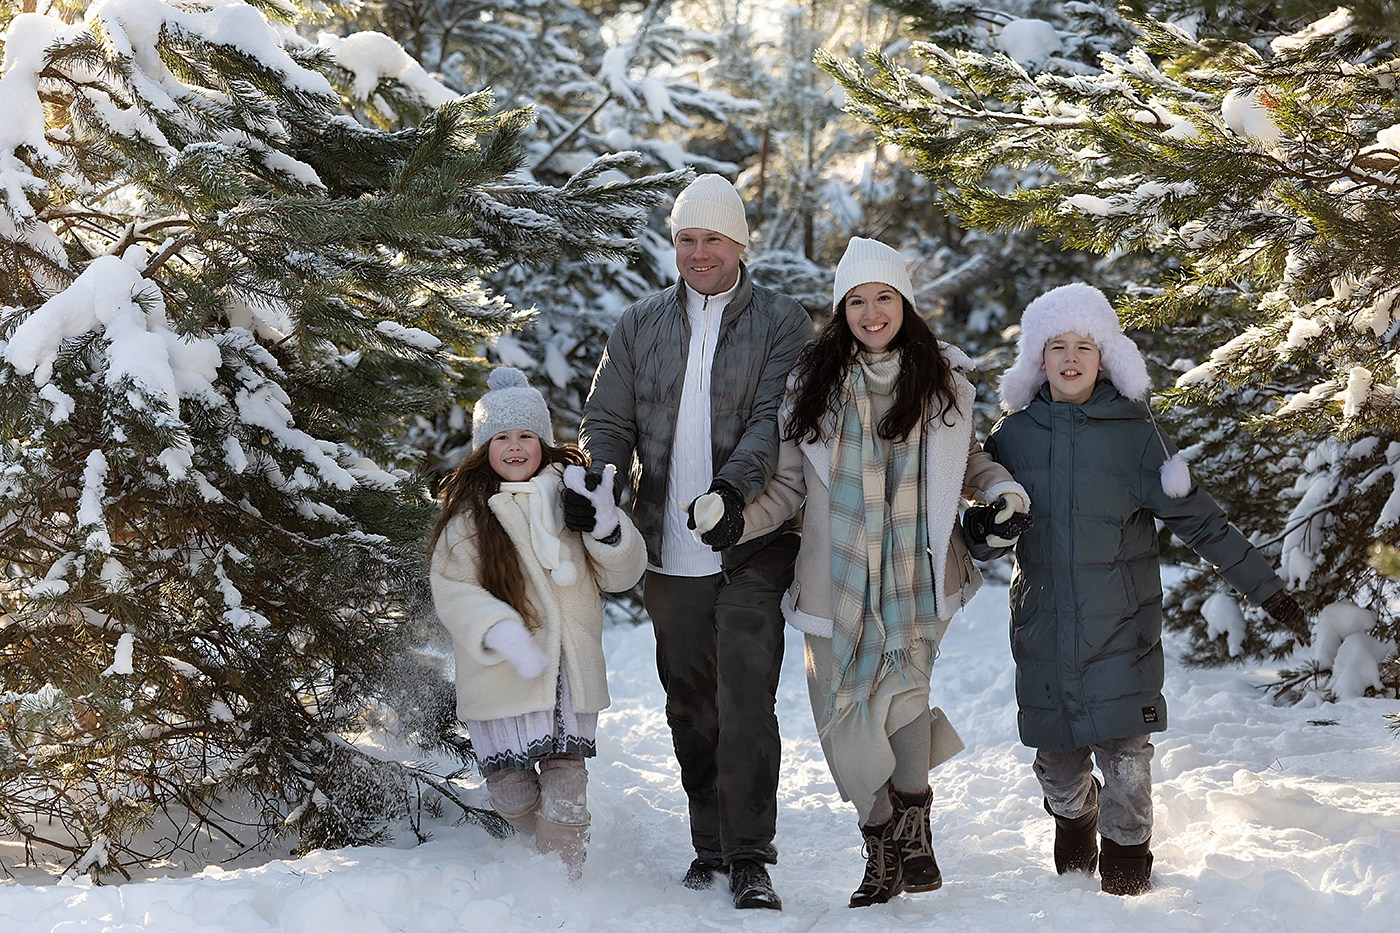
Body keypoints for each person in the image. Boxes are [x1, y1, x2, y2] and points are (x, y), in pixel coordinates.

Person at [975, 282, 1311, 896]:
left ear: (1106, 358)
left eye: (1085, 346)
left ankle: (1129, 854)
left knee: (1128, 759)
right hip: (1045, 630)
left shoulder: (1135, 435)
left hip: (1122, 630)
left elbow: (1201, 520)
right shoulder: (1012, 439)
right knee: (1056, 763)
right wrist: (981, 531)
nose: (1071, 358)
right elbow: (979, 526)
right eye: (1057, 346)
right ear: (1037, 359)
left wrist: (1268, 592)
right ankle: (1075, 813)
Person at [738, 237, 1032, 908]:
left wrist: (1004, 493)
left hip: (913, 575)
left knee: (902, 702)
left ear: (905, 303)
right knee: (843, 719)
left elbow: (969, 467)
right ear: (842, 309)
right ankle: (883, 833)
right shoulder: (809, 387)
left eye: (884, 298)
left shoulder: (943, 382)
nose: (872, 313)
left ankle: (906, 831)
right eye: (857, 301)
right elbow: (785, 490)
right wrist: (737, 520)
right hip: (833, 578)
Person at [574, 174, 812, 910]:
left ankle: (749, 855)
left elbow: (775, 420)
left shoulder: (782, 321)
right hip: (666, 548)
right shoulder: (640, 323)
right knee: (690, 701)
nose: (699, 251)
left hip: (751, 540)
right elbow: (606, 420)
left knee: (745, 694)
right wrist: (604, 482)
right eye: (686, 238)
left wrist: (732, 493)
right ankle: (707, 840)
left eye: (712, 238)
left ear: (740, 244)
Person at [429, 366, 646, 881]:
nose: (515, 447)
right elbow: (451, 587)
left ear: (545, 442)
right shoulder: (469, 516)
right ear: (484, 447)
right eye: (501, 437)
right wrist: (497, 628)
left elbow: (621, 575)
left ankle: (562, 881)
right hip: (503, 673)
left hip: (566, 669)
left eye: (526, 435)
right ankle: (535, 857)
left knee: (567, 778)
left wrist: (606, 526)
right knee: (510, 789)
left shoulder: (571, 496)